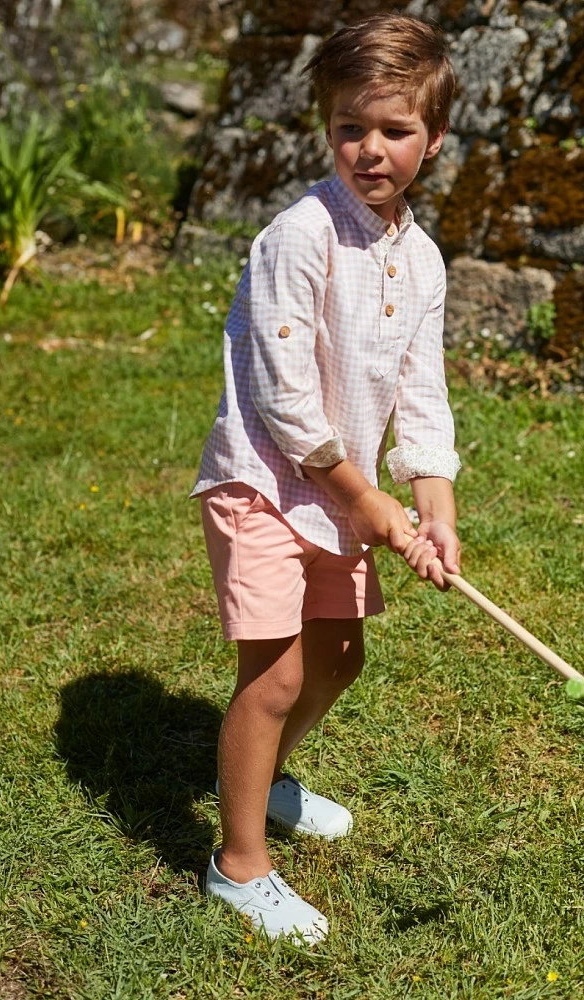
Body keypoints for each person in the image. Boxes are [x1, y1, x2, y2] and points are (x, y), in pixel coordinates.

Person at [191, 13, 461, 943]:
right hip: (268, 483)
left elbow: (422, 395)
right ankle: (239, 864)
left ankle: (264, 783)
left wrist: (435, 507)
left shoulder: (420, 259)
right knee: (275, 676)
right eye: (352, 126)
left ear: (434, 138)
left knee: (341, 657)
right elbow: (285, 400)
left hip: (343, 496)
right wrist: (367, 499)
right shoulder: (296, 238)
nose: (371, 149)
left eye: (394, 131)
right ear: (326, 126)